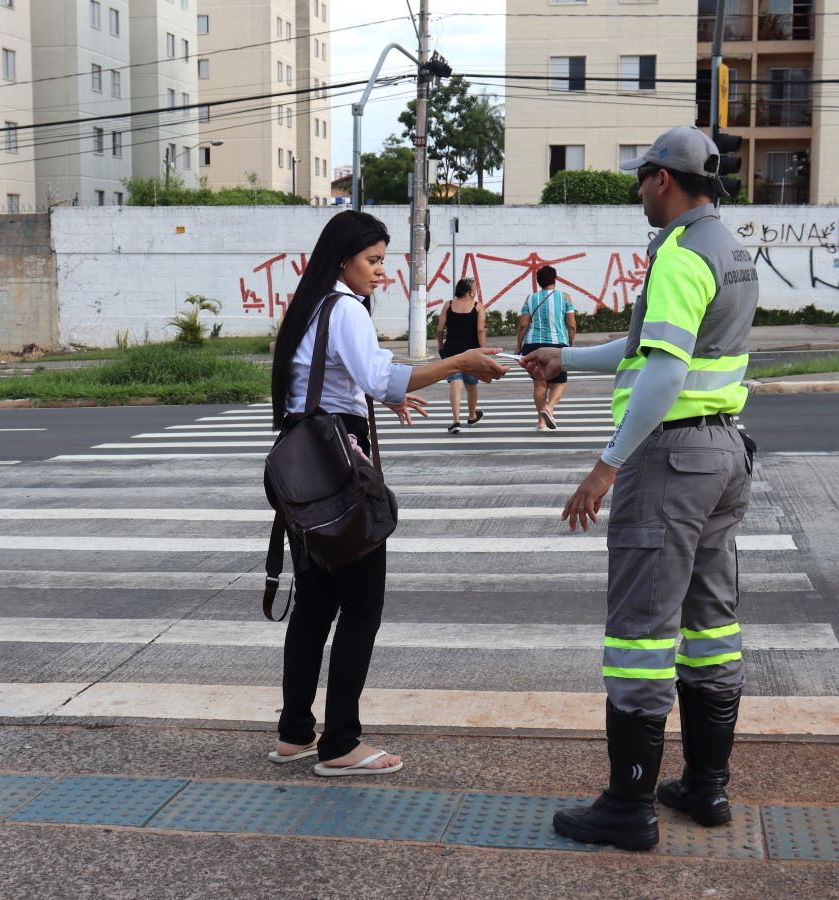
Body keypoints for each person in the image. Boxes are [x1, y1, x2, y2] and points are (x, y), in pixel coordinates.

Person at [522, 125, 759, 851]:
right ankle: (706, 787)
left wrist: (606, 465)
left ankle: (628, 808)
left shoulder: (681, 255)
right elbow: (643, 349)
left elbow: (662, 374)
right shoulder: (730, 248)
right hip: (722, 454)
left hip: (671, 460)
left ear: (663, 179)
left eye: (642, 177)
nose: (638, 190)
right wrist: (565, 362)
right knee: (709, 625)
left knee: (640, 638)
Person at [268, 210, 507, 776]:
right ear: (344, 259)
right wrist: (459, 362)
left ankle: (294, 733)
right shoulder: (345, 307)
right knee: (361, 606)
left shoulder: (307, 306)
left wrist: (378, 394)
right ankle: (341, 744)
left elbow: (327, 379)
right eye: (374, 260)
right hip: (339, 463)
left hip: (304, 459)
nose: (382, 271)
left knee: (314, 603)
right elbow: (376, 375)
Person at [516, 266, 576, 431]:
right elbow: (571, 324)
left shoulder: (530, 298)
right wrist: (571, 342)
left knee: (539, 383)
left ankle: (540, 422)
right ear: (555, 279)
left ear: (538, 281)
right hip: (557, 345)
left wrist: (518, 346)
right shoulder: (565, 297)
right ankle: (549, 408)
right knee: (560, 381)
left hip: (533, 345)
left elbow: (523, 325)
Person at [435, 277, 487, 433]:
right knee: (471, 385)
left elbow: (439, 329)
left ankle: (456, 421)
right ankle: (471, 416)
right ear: (471, 291)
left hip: (451, 349)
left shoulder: (448, 305)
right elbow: (480, 330)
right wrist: (483, 350)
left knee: (455, 383)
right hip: (472, 352)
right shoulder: (478, 307)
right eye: (475, 288)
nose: (476, 290)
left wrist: (440, 345)